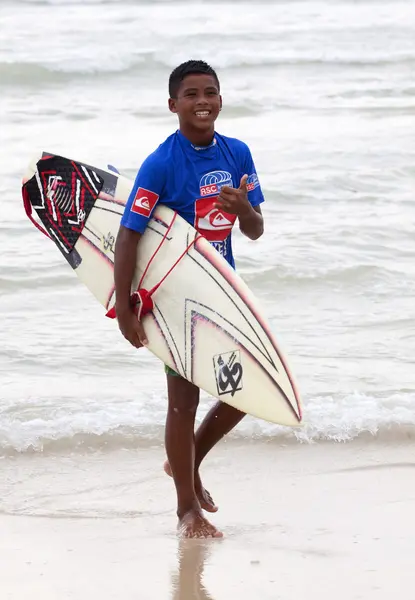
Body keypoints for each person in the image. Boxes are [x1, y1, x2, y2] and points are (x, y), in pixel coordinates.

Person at [114, 60, 265, 538]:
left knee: (248, 392)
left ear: (221, 99)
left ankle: (187, 461)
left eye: (211, 92)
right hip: (176, 300)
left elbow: (256, 230)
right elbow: (127, 236)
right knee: (183, 401)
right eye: (193, 94)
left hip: (225, 293)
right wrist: (125, 308)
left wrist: (245, 211)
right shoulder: (162, 163)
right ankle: (186, 510)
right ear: (173, 104)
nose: (203, 101)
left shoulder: (238, 153)